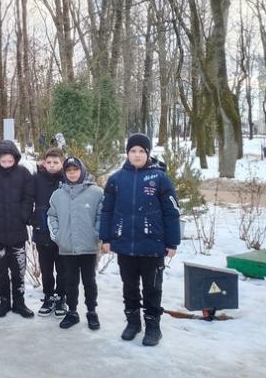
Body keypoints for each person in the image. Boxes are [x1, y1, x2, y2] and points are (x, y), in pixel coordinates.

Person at [100, 133, 181, 346]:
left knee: (152, 288)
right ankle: (133, 323)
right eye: (133, 151)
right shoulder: (116, 179)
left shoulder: (159, 178)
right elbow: (107, 210)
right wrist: (106, 237)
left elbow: (171, 211)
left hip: (153, 245)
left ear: (148, 154)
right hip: (125, 244)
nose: (137, 155)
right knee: (129, 287)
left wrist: (172, 242)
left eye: (141, 151)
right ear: (127, 153)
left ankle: (153, 327)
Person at [0, 140, 35, 318]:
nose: (6, 164)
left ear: (15, 159)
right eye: (3, 161)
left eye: (10, 161)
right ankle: (4, 302)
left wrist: (24, 214)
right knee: (1, 270)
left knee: (18, 269)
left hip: (18, 231)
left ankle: (19, 302)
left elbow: (29, 196)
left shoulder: (23, 173)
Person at [47, 156, 103, 330]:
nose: (72, 174)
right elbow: (51, 216)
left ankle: (92, 311)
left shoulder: (96, 193)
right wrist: (58, 236)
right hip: (67, 248)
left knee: (89, 281)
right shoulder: (57, 195)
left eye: (75, 170)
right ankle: (72, 312)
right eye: (69, 171)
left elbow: (102, 216)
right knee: (70, 281)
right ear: (65, 173)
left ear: (82, 171)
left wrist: (96, 234)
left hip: (89, 247)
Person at [32, 148, 66, 317]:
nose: (52, 166)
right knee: (46, 267)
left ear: (62, 163)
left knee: (62, 267)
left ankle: (61, 296)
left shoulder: (67, 179)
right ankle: (48, 296)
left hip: (62, 233)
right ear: (44, 163)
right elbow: (27, 199)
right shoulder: (37, 179)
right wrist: (32, 218)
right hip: (42, 231)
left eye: (56, 162)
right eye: (49, 162)